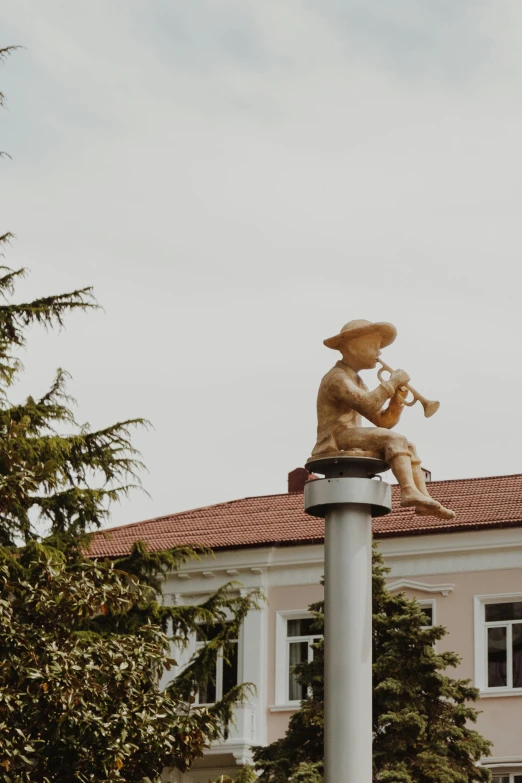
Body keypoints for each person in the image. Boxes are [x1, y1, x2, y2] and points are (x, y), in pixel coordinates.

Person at [311, 319, 455, 520]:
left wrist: (397, 401)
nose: (379, 353)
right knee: (396, 440)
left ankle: (422, 497)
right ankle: (407, 491)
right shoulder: (337, 378)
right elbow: (368, 404)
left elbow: (382, 422)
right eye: (373, 346)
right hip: (335, 437)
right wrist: (392, 382)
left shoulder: (357, 380)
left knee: (408, 446)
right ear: (353, 347)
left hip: (348, 434)